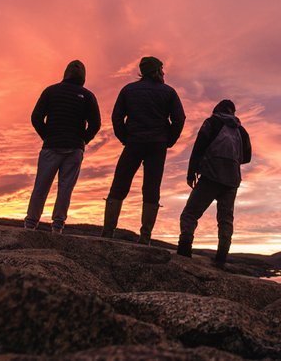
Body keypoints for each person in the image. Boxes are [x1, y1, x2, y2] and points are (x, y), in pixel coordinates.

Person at [101, 56, 186, 244]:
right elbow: (179, 119)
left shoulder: (128, 90)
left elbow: (116, 118)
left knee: (119, 184)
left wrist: (125, 138)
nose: (164, 73)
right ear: (155, 71)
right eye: (161, 69)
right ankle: (145, 237)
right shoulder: (168, 92)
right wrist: (168, 141)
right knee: (151, 188)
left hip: (134, 142)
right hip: (157, 146)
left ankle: (108, 232)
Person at [25, 60, 101, 233]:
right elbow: (95, 124)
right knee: (65, 188)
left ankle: (31, 223)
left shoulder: (51, 91)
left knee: (41, 185)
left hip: (52, 146)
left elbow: (36, 117)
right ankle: (58, 225)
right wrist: (83, 141)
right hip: (74, 148)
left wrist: (47, 136)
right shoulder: (87, 96)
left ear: (65, 73)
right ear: (83, 76)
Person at [177, 99, 252, 266]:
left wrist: (191, 173)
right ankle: (221, 258)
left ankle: (184, 252)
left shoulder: (212, 122)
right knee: (225, 219)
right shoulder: (241, 130)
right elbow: (247, 157)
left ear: (217, 109)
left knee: (190, 213)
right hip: (232, 180)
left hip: (211, 175)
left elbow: (198, 147)